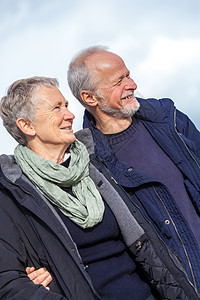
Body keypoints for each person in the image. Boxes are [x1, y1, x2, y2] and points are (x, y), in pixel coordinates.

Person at [0, 77, 198, 300]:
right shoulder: (11, 191)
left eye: (66, 105)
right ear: (26, 126)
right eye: (57, 108)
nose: (70, 114)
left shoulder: (96, 163)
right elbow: (8, 282)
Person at [67, 46, 200, 295]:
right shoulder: (87, 165)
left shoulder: (168, 118)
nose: (133, 84)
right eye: (119, 81)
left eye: (128, 75)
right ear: (90, 98)